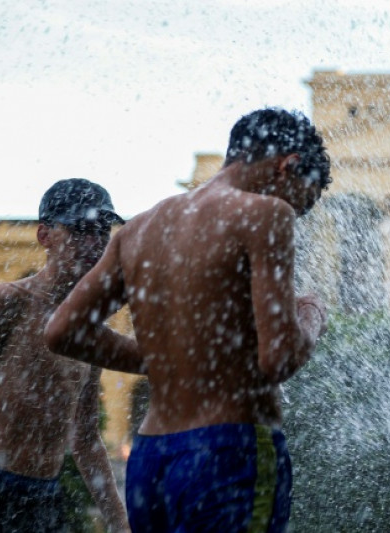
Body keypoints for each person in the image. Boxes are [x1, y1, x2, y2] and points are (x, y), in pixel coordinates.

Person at [45, 108, 331, 533]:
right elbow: (278, 360)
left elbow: (63, 331)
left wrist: (162, 359)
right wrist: (311, 317)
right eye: (301, 202)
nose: (294, 213)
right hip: (231, 452)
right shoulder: (266, 214)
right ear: (287, 165)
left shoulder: (138, 229)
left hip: (151, 460)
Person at [0, 179, 130, 532]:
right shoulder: (5, 302)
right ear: (44, 236)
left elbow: (84, 437)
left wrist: (119, 521)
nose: (94, 242)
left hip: (45, 496)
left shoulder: (88, 324)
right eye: (79, 230)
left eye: (101, 230)